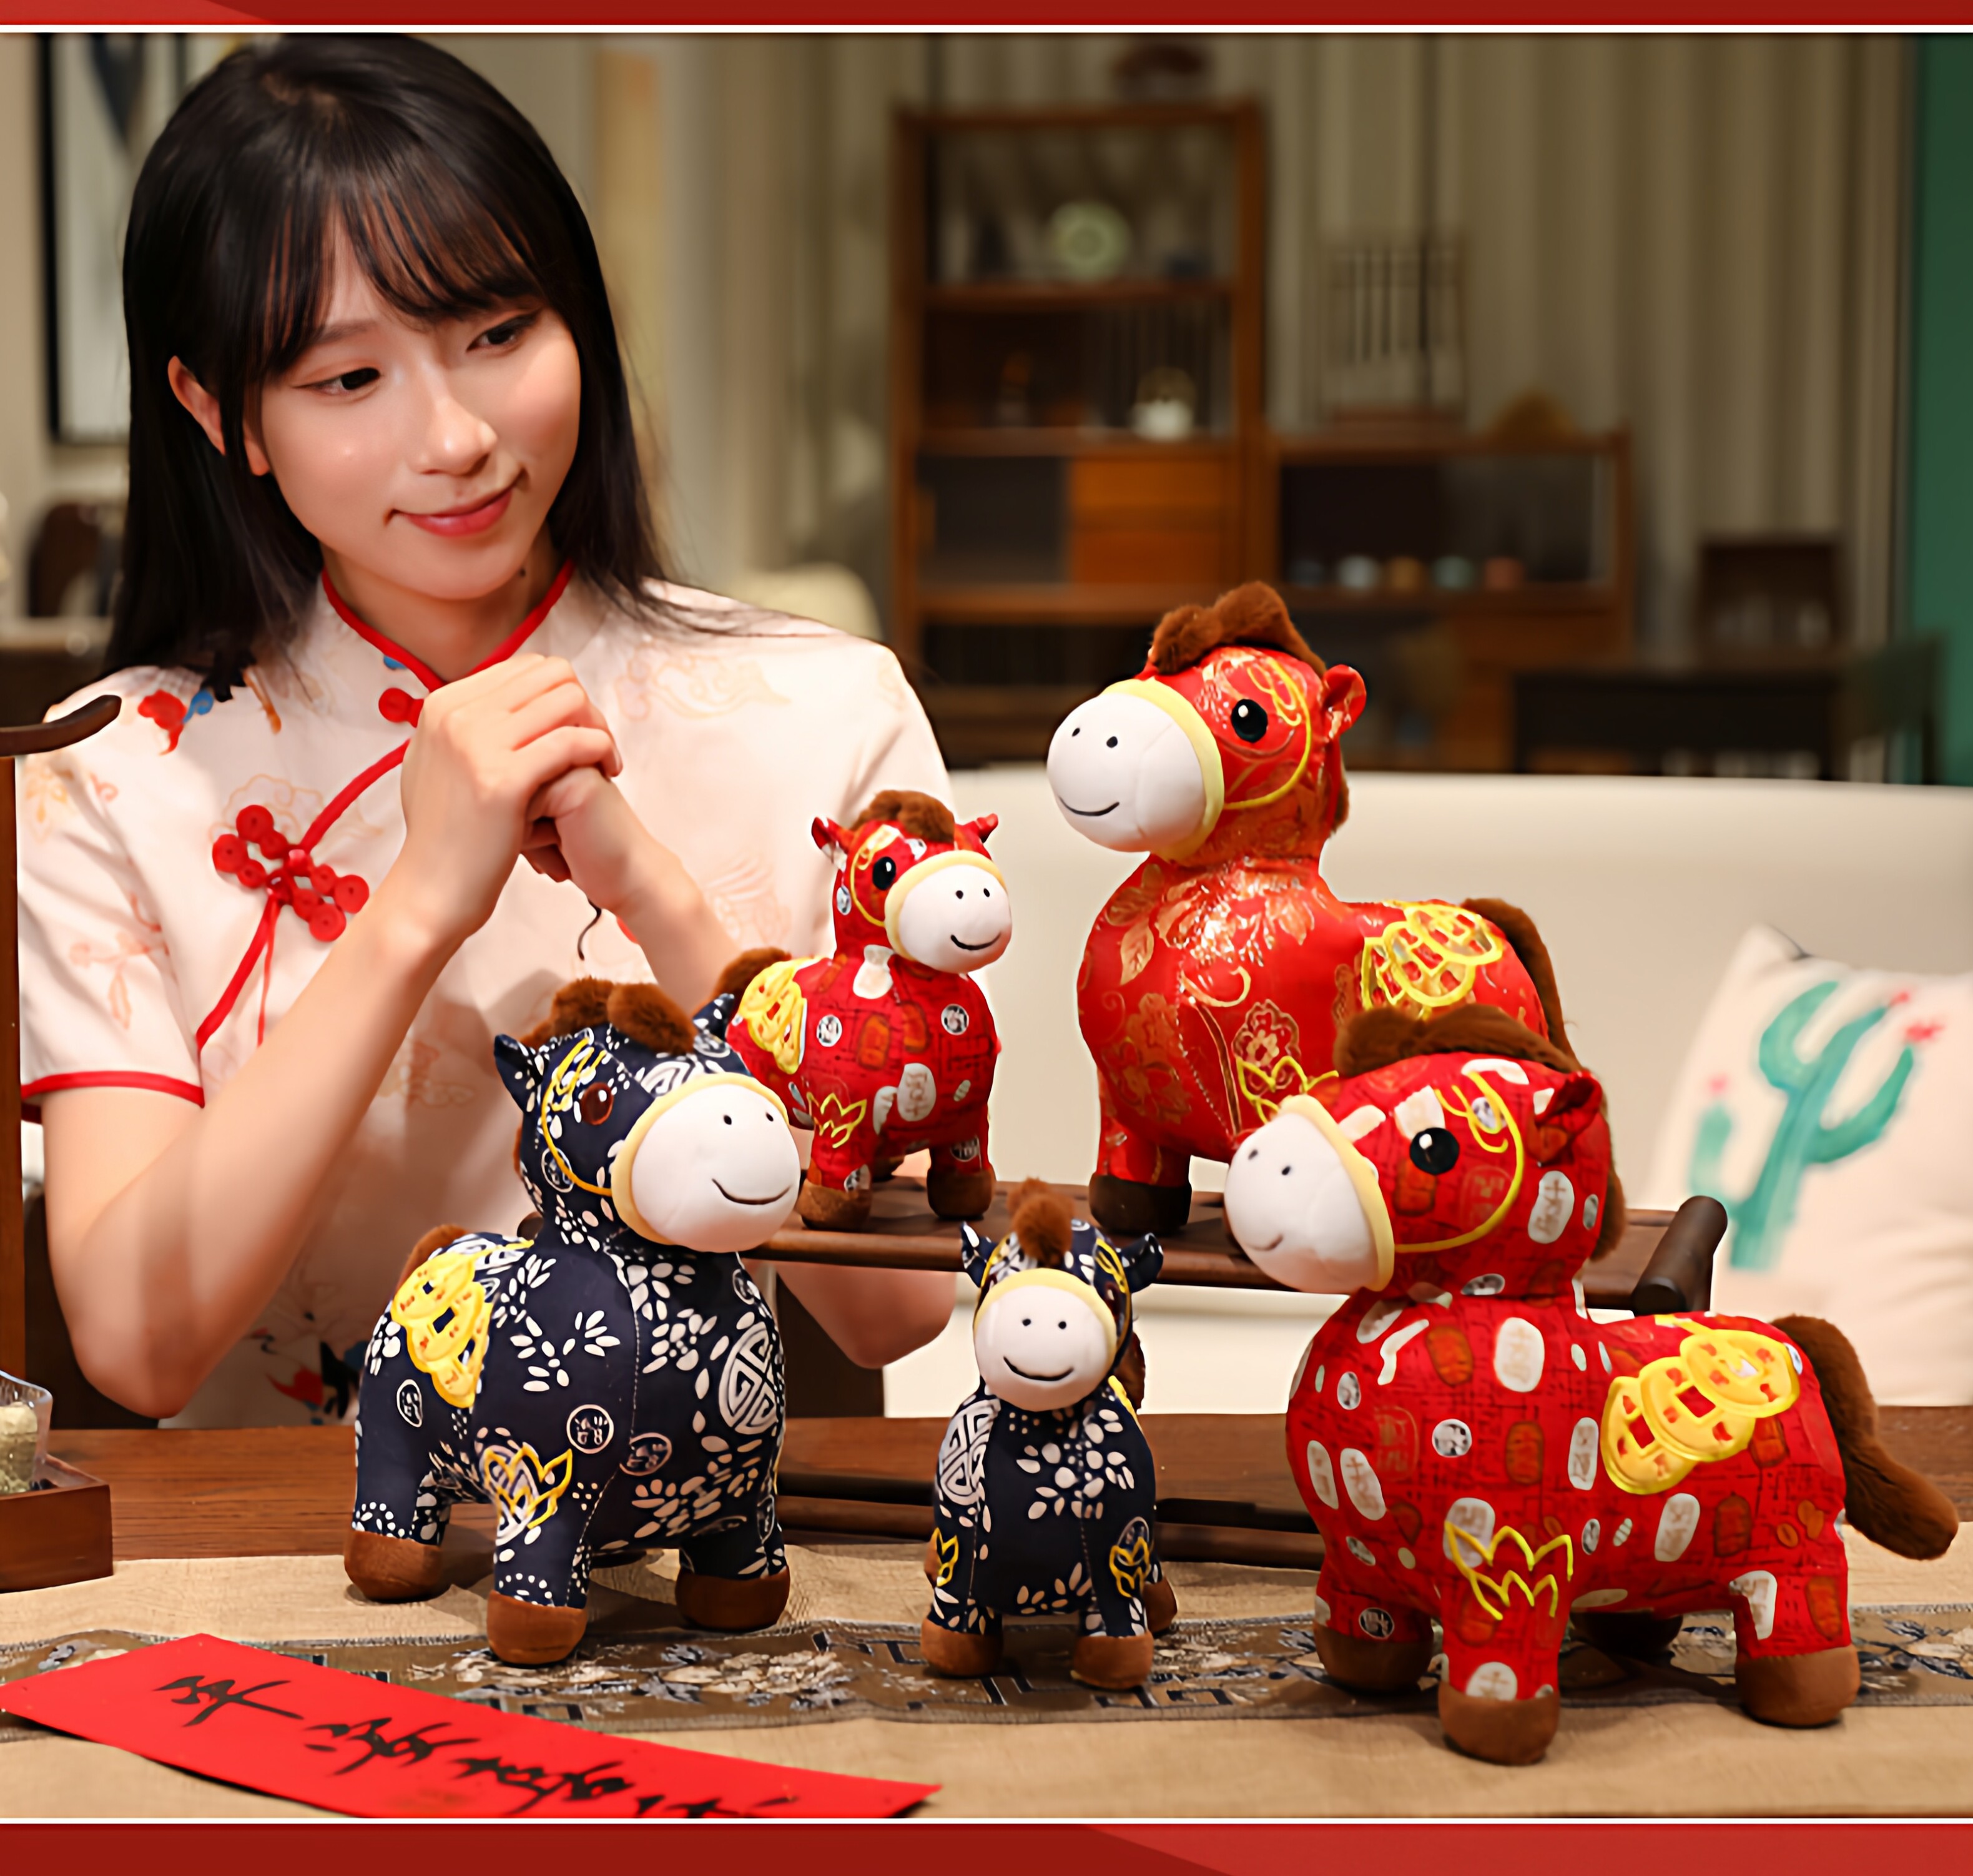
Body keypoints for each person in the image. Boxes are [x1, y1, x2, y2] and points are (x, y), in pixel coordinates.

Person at [16, 37, 958, 1426]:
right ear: (223, 415)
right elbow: (138, 1346)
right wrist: (418, 906)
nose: (455, 436)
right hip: (292, 1540)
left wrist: (657, 897)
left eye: (499, 333)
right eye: (349, 380)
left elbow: (893, 1313)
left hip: (710, 1535)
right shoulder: (106, 774)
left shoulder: (825, 712)